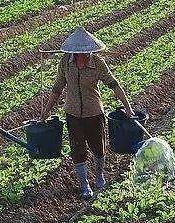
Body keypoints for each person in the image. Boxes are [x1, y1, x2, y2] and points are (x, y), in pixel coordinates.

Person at [40, 27, 135, 200]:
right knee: (78, 150)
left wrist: (128, 108)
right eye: (78, 53)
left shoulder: (98, 63)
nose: (81, 56)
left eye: (85, 53)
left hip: (94, 113)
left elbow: (114, 84)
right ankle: (84, 185)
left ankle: (99, 176)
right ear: (73, 52)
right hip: (73, 113)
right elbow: (57, 88)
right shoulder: (65, 62)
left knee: (99, 148)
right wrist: (45, 113)